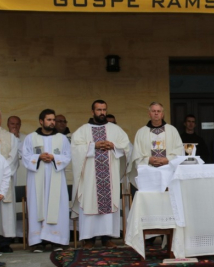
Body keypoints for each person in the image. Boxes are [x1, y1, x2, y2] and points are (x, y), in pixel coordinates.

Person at [71, 100, 130, 249]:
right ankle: (89, 240)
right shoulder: (83, 130)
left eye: (104, 110)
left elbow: (127, 146)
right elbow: (75, 149)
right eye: (99, 110)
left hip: (109, 177)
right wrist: (93, 146)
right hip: (90, 178)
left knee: (108, 207)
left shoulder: (115, 130)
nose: (102, 113)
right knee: (89, 203)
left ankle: (107, 238)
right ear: (92, 112)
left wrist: (114, 146)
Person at [22, 109, 71, 252]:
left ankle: (56, 241)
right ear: (41, 121)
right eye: (49, 120)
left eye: (53, 120)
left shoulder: (61, 139)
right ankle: (38, 242)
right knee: (37, 205)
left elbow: (68, 156)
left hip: (55, 176)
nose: (52, 122)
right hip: (36, 178)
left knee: (57, 206)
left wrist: (55, 158)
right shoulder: (31, 138)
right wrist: (38, 157)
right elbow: (25, 156)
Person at [128, 102, 184, 183]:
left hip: (168, 171)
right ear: (149, 114)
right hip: (148, 172)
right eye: (153, 111)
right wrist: (148, 160)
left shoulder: (172, 130)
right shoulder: (141, 132)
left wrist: (167, 159)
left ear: (162, 114)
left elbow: (179, 150)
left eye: (158, 111)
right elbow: (136, 154)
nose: (156, 113)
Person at [0, 111, 19, 253]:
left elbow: (13, 158)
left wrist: (2, 172)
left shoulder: (10, 137)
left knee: (5, 213)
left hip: (4, 179)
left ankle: (4, 242)